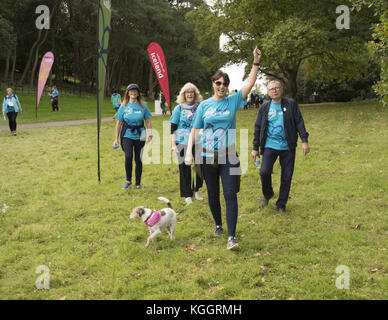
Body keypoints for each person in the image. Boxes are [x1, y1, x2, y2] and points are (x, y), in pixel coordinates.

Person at [185, 47, 262, 251]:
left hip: (229, 155)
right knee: (212, 194)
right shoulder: (204, 106)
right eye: (218, 83)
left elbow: (250, 83)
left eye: (225, 83)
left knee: (230, 193)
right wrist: (189, 152)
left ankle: (232, 237)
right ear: (213, 84)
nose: (222, 86)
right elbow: (195, 129)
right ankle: (218, 225)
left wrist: (255, 62)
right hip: (206, 156)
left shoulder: (233, 101)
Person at [251, 80, 310, 214]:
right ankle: (268, 194)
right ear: (268, 92)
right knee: (264, 171)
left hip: (287, 147)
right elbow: (258, 127)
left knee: (287, 176)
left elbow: (299, 122)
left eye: (277, 88)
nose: (275, 90)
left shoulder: (290, 104)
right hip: (269, 146)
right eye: (272, 89)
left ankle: (281, 204)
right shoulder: (264, 108)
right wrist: (255, 147)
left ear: (281, 89)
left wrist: (304, 141)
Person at [113, 84, 153, 189]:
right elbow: (119, 123)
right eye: (131, 91)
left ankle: (138, 183)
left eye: (135, 91)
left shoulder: (143, 105)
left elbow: (148, 121)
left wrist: (150, 135)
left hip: (140, 135)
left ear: (138, 93)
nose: (133, 93)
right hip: (127, 134)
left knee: (138, 159)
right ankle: (128, 181)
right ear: (128, 93)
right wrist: (116, 139)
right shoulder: (124, 105)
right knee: (128, 156)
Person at [170, 82, 204, 204]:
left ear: (195, 94)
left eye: (192, 92)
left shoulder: (200, 107)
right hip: (181, 142)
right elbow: (173, 127)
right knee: (184, 168)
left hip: (198, 141)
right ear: (183, 94)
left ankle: (196, 189)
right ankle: (187, 194)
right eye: (187, 92)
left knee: (200, 167)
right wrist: (173, 144)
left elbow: (205, 123)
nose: (189, 94)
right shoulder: (178, 108)